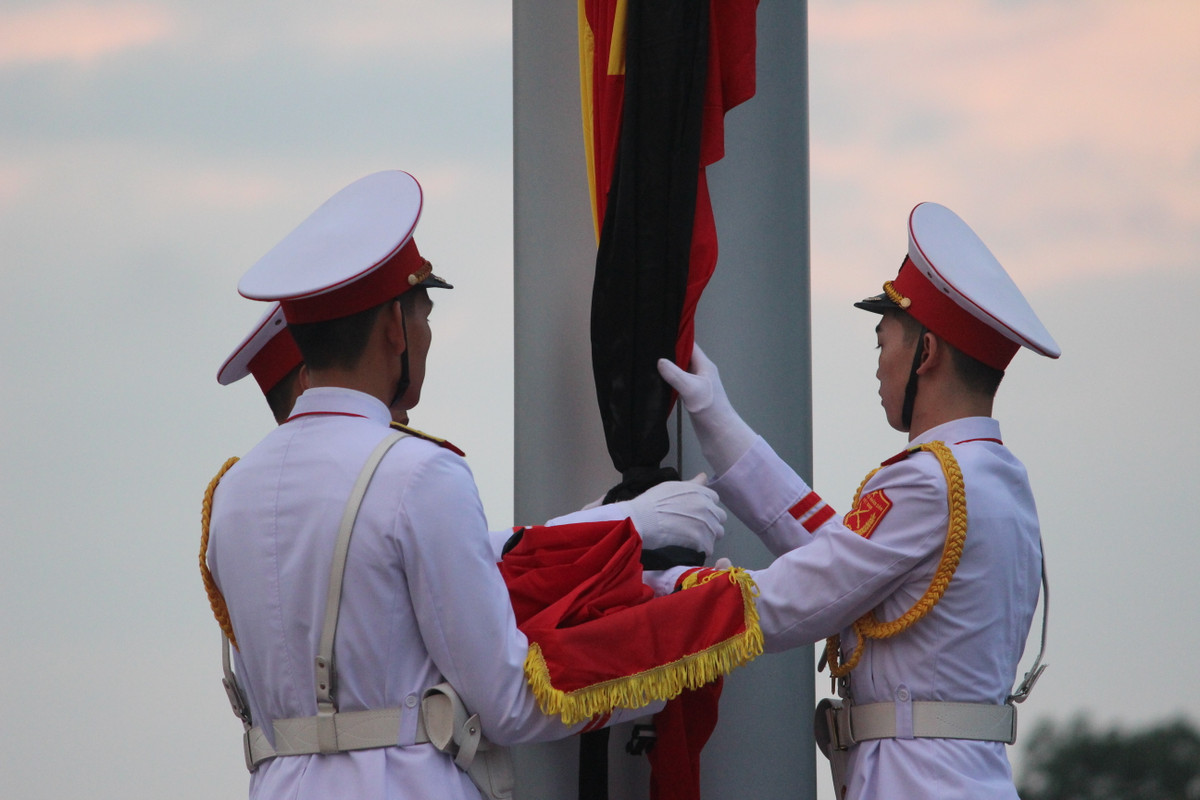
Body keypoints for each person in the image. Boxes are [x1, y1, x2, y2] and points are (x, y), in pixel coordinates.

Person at [204, 170, 756, 800]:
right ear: (393, 327)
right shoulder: (417, 473)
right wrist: (692, 644)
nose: (427, 334)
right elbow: (510, 701)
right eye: (423, 313)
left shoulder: (230, 495)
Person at [657, 202, 1058, 799]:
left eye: (883, 345)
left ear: (926, 355)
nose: (877, 369)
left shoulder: (928, 482)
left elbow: (798, 599)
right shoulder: (991, 477)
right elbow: (840, 555)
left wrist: (653, 584)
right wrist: (716, 419)